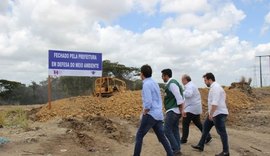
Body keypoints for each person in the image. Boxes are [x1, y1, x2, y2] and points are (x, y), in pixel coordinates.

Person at [133, 65, 174, 156]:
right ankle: (170, 154)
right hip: (158, 114)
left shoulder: (146, 84)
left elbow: (148, 101)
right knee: (162, 137)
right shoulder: (155, 83)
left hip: (150, 114)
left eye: (140, 72)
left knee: (139, 135)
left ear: (142, 74)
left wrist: (145, 110)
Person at [191, 73, 230, 156]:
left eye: (205, 80)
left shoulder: (215, 88)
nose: (205, 82)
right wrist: (210, 112)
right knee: (205, 128)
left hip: (218, 114)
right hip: (214, 113)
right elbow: (222, 101)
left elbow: (215, 103)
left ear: (209, 79)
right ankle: (200, 145)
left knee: (222, 132)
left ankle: (226, 152)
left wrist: (211, 113)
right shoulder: (215, 87)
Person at [181, 74, 212, 144]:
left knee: (185, 123)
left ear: (185, 80)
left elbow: (189, 94)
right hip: (196, 108)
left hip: (191, 108)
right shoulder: (192, 85)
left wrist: (181, 93)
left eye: (182, 80)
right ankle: (208, 136)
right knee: (198, 124)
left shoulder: (189, 86)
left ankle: (184, 139)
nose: (182, 82)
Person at [161, 69, 184, 155]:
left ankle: (175, 149)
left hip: (173, 110)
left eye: (162, 76)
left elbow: (179, 97)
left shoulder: (172, 84)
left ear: (166, 75)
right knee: (174, 130)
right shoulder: (172, 83)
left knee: (166, 130)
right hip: (175, 110)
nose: (162, 78)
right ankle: (177, 148)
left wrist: (181, 110)